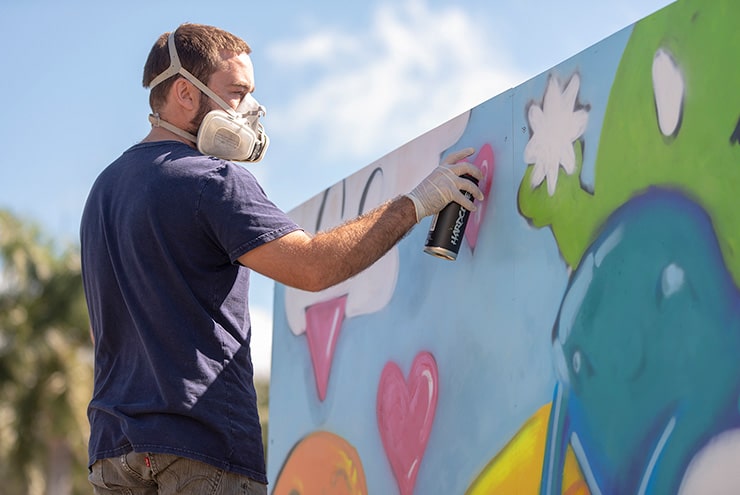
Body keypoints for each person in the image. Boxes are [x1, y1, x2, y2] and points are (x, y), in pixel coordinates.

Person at [80, 22, 483, 495]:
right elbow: (312, 268)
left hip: (113, 453)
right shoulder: (212, 180)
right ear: (185, 95)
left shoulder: (103, 192)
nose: (249, 110)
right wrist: (416, 202)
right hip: (199, 445)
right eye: (237, 92)